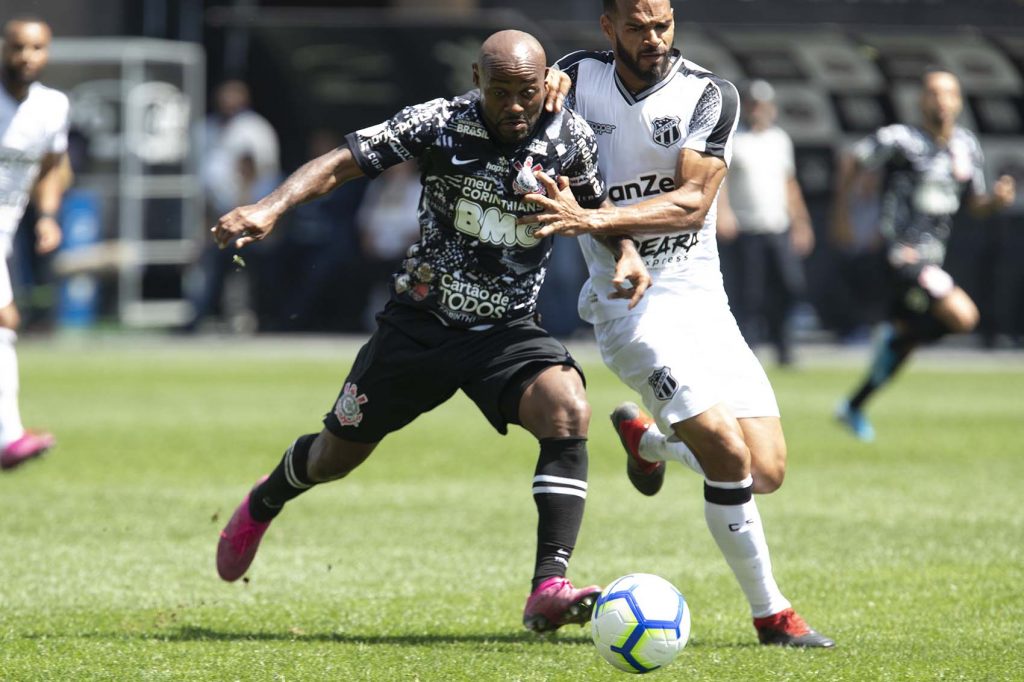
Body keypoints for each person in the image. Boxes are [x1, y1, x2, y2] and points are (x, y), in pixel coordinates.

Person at [212, 30, 649, 634]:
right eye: (501, 93)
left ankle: (548, 584)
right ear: (476, 81)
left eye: (527, 92)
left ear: (545, 84)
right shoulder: (438, 123)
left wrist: (625, 250)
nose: (516, 107)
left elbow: (598, 208)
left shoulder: (569, 137)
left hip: (506, 330)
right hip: (420, 325)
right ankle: (267, 498)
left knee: (568, 408)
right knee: (333, 458)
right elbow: (343, 163)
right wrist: (270, 207)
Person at [525, 0, 834, 647]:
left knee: (766, 471)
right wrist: (539, 96)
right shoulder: (576, 79)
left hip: (702, 303)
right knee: (726, 452)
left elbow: (695, 204)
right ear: (609, 28)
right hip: (628, 307)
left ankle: (651, 446)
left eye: (662, 24)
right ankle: (772, 616)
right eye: (636, 27)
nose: (653, 38)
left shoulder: (708, 95)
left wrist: (594, 220)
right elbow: (529, 132)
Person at [833, 68, 1015, 442]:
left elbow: (974, 204)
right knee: (963, 317)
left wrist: (995, 201)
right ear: (921, 100)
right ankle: (894, 340)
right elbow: (853, 161)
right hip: (901, 254)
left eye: (949, 93)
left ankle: (854, 404)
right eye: (933, 93)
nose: (941, 100)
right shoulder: (900, 140)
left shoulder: (966, 146)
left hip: (933, 257)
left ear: (959, 101)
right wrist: (843, 215)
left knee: (906, 343)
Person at [0, 15, 70, 471]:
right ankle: (9, 437)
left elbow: (53, 166)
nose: (27, 57)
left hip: (6, 230)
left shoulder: (53, 106)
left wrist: (46, 214)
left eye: (37, 48)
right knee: (4, 321)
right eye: (18, 47)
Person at [716, 79, 814, 366]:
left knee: (787, 285)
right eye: (754, 104)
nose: (759, 110)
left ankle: (784, 346)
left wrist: (801, 222)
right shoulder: (735, 138)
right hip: (747, 226)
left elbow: (789, 183)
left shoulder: (780, 139)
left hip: (777, 225)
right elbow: (722, 181)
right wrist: (724, 213)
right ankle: (747, 349)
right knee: (750, 292)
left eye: (763, 105)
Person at [184, 80, 281, 332]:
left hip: (248, 213)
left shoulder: (255, 129)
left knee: (241, 265)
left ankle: (246, 317)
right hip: (212, 211)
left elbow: (260, 173)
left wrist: (248, 211)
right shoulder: (206, 128)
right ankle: (202, 314)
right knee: (207, 263)